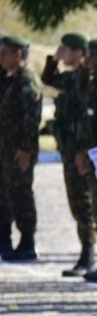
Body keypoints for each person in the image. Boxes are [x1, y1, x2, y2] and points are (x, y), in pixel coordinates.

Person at [41, 32, 96, 275]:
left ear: (80, 53)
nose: (62, 53)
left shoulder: (87, 79)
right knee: (76, 202)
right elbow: (48, 78)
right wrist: (53, 58)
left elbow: (87, 117)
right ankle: (86, 253)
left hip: (80, 149)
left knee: (85, 203)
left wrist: (83, 150)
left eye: (67, 49)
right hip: (68, 148)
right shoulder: (68, 79)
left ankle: (89, 254)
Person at [0, 35, 42, 261]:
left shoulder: (26, 80)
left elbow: (32, 116)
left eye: (4, 53)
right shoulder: (10, 79)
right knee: (5, 194)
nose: (0, 57)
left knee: (21, 194)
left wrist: (26, 148)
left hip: (19, 151)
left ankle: (27, 242)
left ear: (17, 54)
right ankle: (4, 241)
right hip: (6, 150)